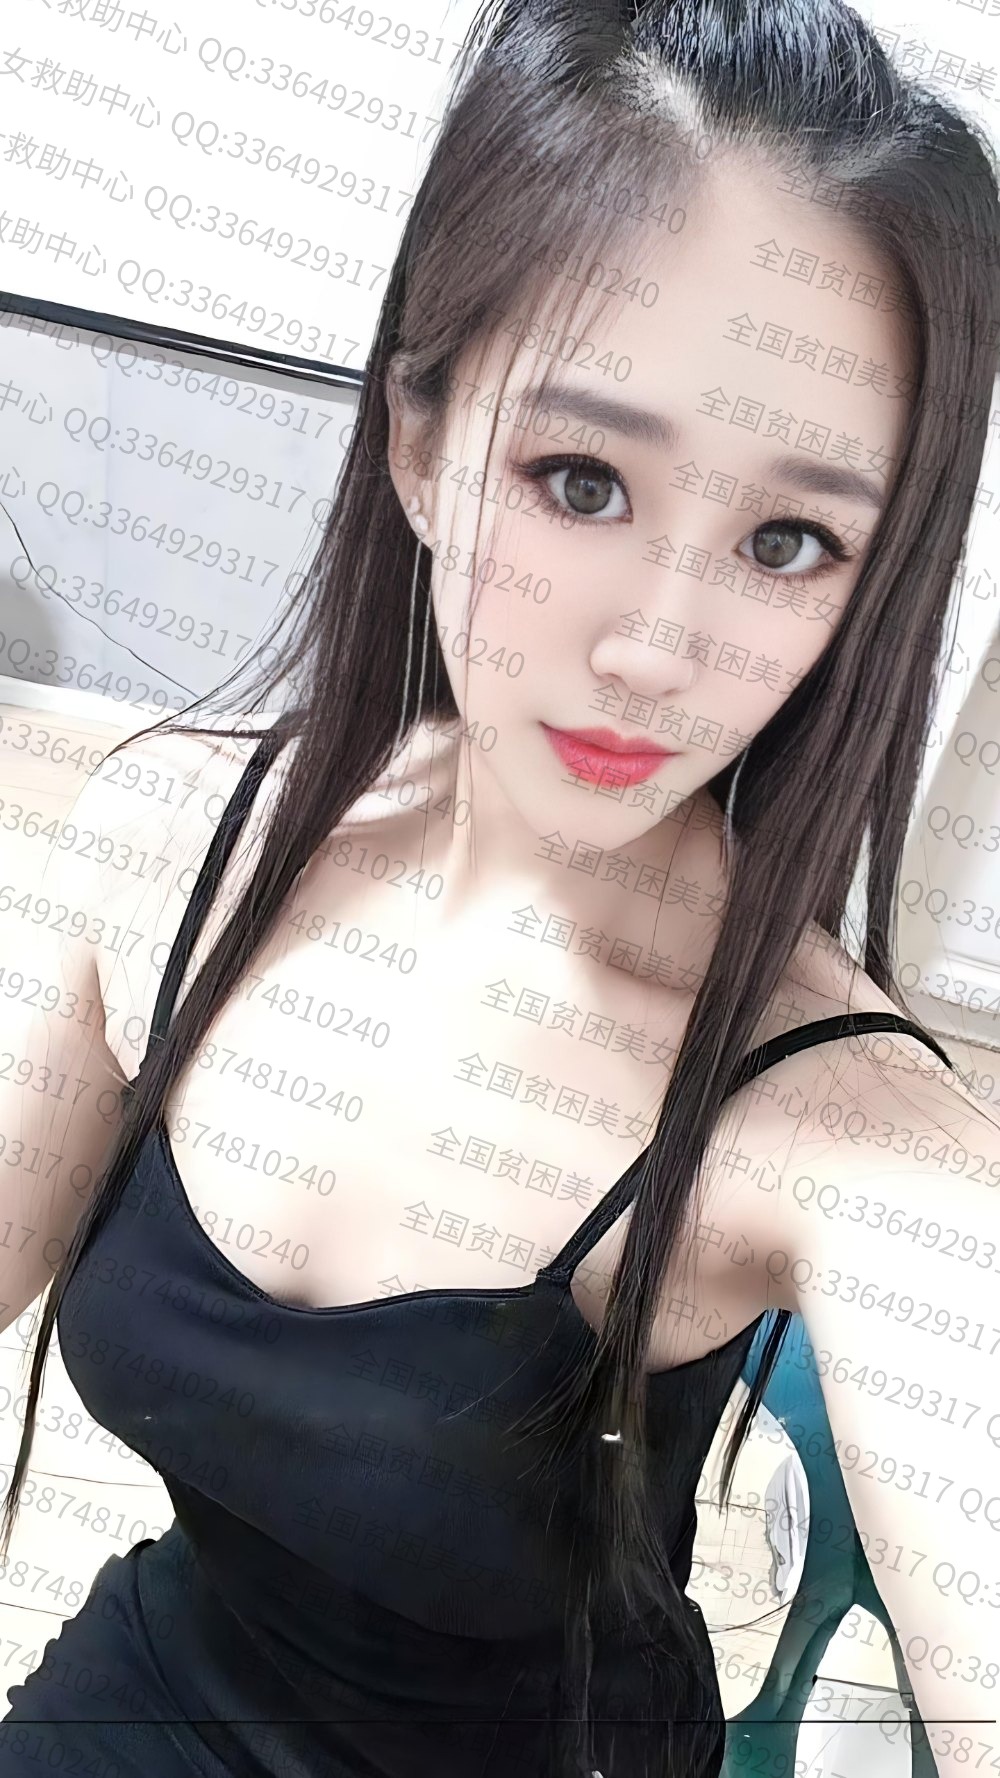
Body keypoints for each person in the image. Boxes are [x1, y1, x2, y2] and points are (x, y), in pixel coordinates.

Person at [1, 1, 998, 1774]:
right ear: (420, 437)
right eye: (580, 478)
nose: (658, 647)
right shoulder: (169, 847)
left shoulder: (851, 1134)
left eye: (788, 541)